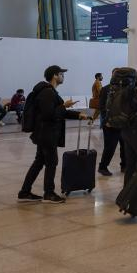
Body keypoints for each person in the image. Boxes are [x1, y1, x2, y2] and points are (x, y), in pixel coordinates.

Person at [18, 65, 88, 203]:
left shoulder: (49, 92)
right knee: (51, 162)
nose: (63, 77)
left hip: (45, 133)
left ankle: (24, 192)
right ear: (55, 76)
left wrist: (79, 114)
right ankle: (49, 193)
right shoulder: (48, 93)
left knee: (39, 162)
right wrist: (64, 106)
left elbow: (57, 112)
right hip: (47, 133)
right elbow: (49, 114)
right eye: (61, 74)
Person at [98, 69, 126, 177]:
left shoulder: (124, 89)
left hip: (121, 123)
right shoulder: (106, 89)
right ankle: (103, 167)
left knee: (124, 145)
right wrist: (106, 121)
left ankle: (124, 165)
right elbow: (102, 107)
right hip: (110, 124)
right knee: (110, 146)